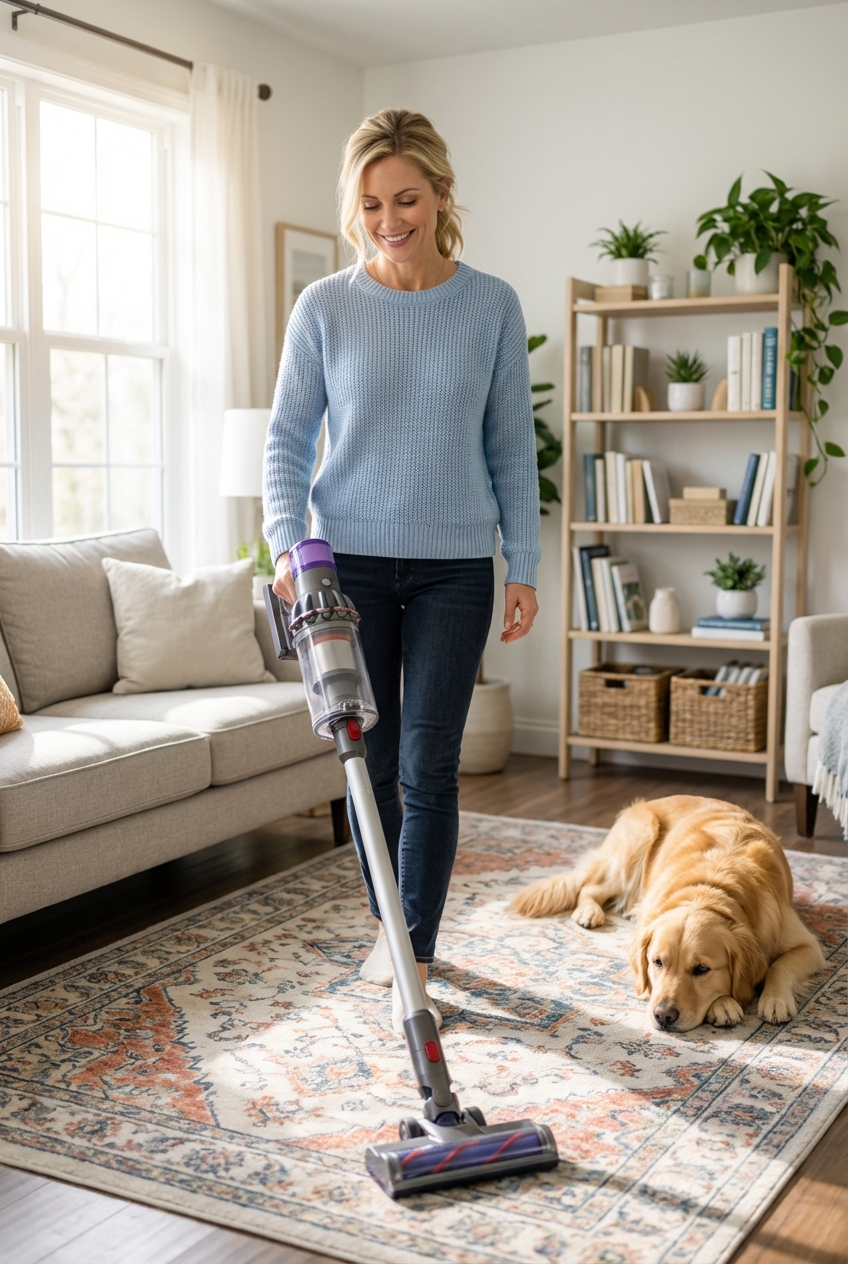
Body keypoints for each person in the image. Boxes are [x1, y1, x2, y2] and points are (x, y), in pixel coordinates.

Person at [263, 109, 541, 1033]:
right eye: (373, 203)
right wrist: (282, 542)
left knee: (429, 764)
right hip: (348, 568)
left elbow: (510, 447)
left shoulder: (491, 304)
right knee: (370, 765)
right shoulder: (326, 307)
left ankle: (412, 954)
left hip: (459, 566)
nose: (390, 219)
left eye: (407, 199)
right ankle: (398, 930)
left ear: (441, 196)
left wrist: (524, 563)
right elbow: (287, 442)